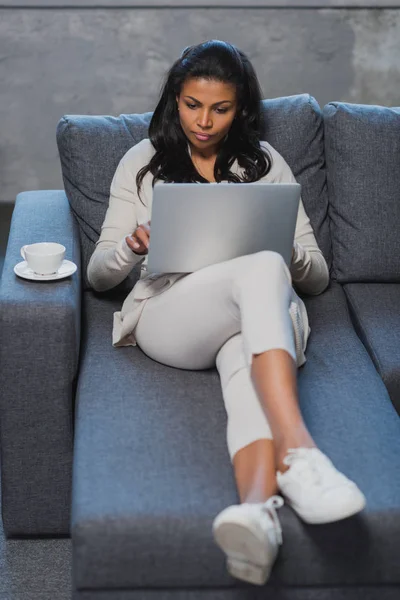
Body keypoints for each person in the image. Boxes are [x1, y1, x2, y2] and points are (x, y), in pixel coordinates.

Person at [87, 40, 366, 586]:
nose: (205, 122)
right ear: (175, 101)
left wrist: (286, 249)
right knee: (261, 267)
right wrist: (133, 248)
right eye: (192, 105)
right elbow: (100, 275)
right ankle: (301, 454)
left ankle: (259, 514)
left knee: (249, 353)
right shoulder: (141, 163)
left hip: (255, 321)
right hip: (172, 314)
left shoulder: (266, 164)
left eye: (221, 108)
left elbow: (317, 275)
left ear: (242, 109)